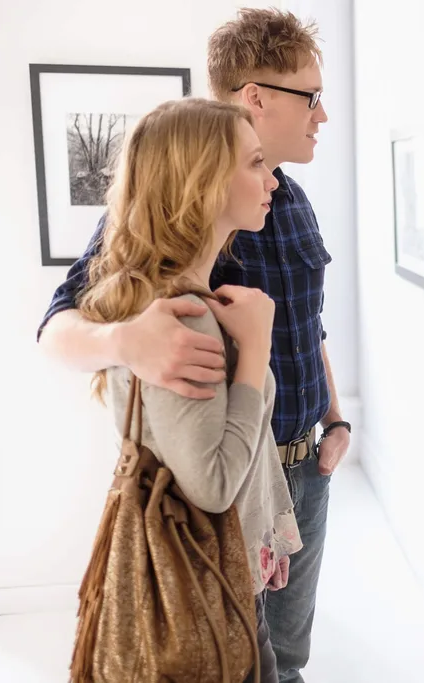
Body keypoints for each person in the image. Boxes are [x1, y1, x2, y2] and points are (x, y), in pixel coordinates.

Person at [37, 9, 348, 683]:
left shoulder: (289, 200)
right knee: (225, 653)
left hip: (300, 469)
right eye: (312, 96)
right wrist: (125, 338)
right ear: (258, 96)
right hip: (227, 480)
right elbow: (56, 329)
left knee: (282, 658)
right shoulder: (177, 206)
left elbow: (307, 320)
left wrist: (333, 417)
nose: (322, 114)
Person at [78, 96, 300, 683]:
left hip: (230, 570)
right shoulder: (180, 318)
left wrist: (271, 531)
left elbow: (239, 446)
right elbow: (214, 483)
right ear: (202, 183)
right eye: (255, 163)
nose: (272, 179)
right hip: (210, 585)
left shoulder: (193, 299)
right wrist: (255, 349)